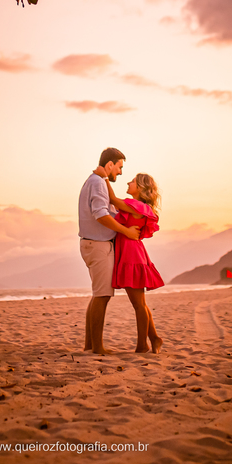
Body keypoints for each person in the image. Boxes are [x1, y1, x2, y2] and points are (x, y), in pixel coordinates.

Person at [78, 147, 140, 355]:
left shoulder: (97, 181)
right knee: (102, 296)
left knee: (98, 295)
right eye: (119, 167)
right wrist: (127, 232)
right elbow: (100, 215)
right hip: (97, 245)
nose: (121, 173)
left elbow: (109, 206)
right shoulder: (97, 183)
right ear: (110, 164)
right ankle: (97, 348)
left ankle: (90, 345)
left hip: (94, 244)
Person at [105, 173, 164, 353]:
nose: (129, 183)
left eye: (132, 182)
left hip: (131, 254)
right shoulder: (140, 207)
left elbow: (113, 199)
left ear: (139, 188)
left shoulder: (137, 206)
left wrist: (104, 177)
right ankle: (154, 339)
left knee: (138, 304)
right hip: (133, 251)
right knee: (140, 303)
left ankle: (142, 346)